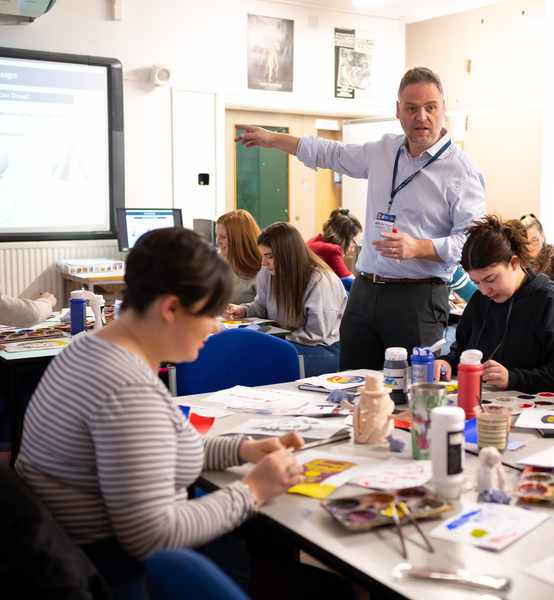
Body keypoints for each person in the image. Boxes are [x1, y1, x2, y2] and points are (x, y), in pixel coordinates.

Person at [15, 227, 305, 595]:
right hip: (116, 573)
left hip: (73, 558)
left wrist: (240, 449)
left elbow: (154, 449)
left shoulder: (89, 348)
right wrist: (253, 490)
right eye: (211, 313)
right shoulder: (127, 389)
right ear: (170, 308)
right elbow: (154, 536)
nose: (216, 326)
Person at [235, 66, 485, 370]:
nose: (422, 117)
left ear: (444, 110)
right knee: (351, 382)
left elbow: (472, 243)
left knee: (412, 388)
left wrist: (419, 247)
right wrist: (274, 140)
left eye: (430, 107)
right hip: (366, 291)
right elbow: (331, 153)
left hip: (418, 295)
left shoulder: (461, 171)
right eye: (412, 108)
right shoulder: (384, 150)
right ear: (398, 111)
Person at [434, 216, 554, 394]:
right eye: (476, 282)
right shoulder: (481, 299)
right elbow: (462, 351)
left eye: (490, 279)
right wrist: (447, 362)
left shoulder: (550, 301)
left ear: (514, 263)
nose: (485, 290)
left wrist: (512, 378)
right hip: (486, 401)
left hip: (534, 409)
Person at [227, 222, 346, 376]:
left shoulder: (320, 280)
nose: (263, 263)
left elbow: (315, 334)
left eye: (269, 256)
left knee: (258, 359)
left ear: (288, 254)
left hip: (320, 349)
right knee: (237, 349)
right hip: (285, 340)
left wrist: (275, 340)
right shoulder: (267, 272)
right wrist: (243, 310)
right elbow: (261, 306)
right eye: (262, 256)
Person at [216, 209, 262, 304]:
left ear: (239, 240)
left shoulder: (264, 268)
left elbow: (264, 308)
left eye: (223, 237)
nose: (217, 242)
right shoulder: (219, 261)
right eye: (217, 235)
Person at [307, 208, 363, 284]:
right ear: (342, 237)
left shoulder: (315, 241)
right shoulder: (332, 250)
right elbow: (349, 281)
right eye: (353, 240)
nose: (354, 245)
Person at [520, 213, 554, 284]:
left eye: (534, 240)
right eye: (525, 242)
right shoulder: (520, 257)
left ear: (543, 236)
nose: (529, 246)